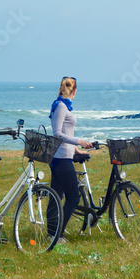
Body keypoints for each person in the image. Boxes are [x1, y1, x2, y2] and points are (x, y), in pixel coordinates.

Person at [48, 77, 93, 243]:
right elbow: (57, 133)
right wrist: (79, 141)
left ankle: (52, 233)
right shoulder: (61, 106)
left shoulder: (62, 105)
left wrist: (75, 149)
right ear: (74, 91)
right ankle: (58, 234)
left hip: (63, 155)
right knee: (73, 197)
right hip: (61, 159)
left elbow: (66, 131)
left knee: (56, 196)